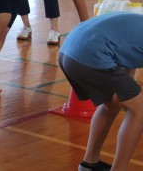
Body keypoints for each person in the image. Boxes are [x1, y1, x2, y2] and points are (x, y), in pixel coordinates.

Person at [59, 12, 143, 171]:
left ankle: (89, 163)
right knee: (140, 110)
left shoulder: (137, 23)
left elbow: (127, 59)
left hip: (68, 51)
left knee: (112, 104)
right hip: (89, 55)